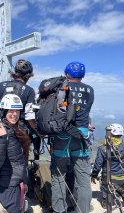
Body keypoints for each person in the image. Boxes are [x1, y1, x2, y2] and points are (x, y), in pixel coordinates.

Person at [50, 62, 94, 213]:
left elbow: (62, 110)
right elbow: (85, 112)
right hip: (82, 135)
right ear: (83, 75)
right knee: (83, 179)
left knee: (59, 174)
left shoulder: (64, 88)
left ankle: (59, 209)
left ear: (67, 74)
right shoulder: (90, 90)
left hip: (64, 134)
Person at [0, 59, 42, 160]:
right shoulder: (29, 90)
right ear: (28, 75)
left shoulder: (0, 85)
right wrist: (37, 131)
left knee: (0, 158)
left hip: (0, 128)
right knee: (19, 161)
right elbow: (30, 117)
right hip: (19, 131)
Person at [0, 94, 29, 213]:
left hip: (16, 182)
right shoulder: (1, 131)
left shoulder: (18, 129)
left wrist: (24, 181)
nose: (15, 114)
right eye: (11, 110)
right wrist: (2, 138)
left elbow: (20, 161)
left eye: (17, 111)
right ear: (4, 111)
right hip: (8, 185)